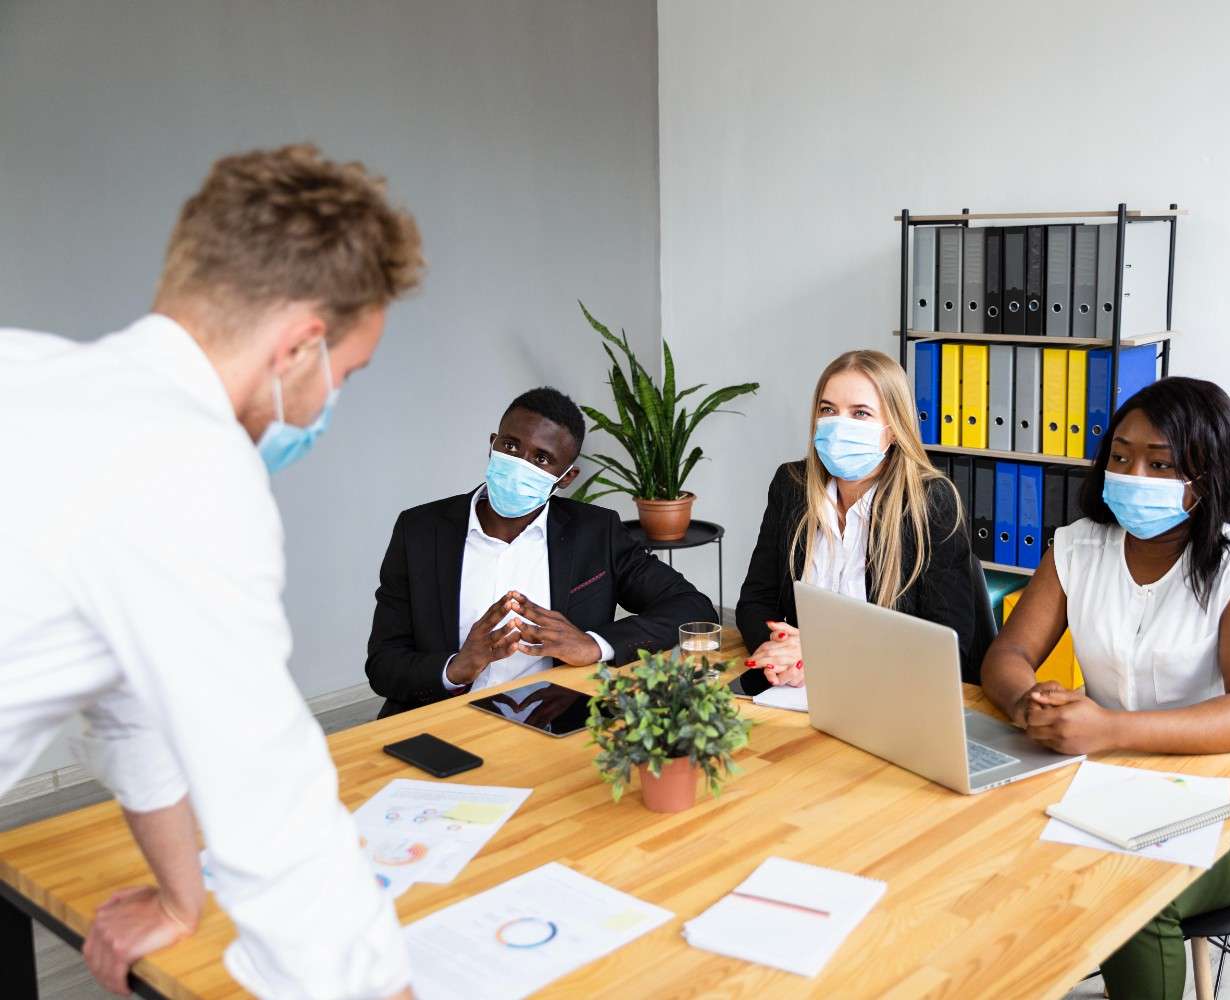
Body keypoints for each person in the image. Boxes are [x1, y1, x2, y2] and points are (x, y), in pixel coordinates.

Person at [0, 144, 424, 998]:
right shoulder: (184, 464)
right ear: (300, 347)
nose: (334, 398)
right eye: (348, 372)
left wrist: (177, 896)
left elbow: (126, 700)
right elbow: (269, 800)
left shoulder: (29, 371)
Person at [978, 376, 1230, 1000]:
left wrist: (1109, 729)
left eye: (1160, 464)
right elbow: (1009, 654)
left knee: (1130, 895)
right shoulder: (1077, 547)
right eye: (1120, 457)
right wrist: (1027, 702)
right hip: (1099, 783)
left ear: (1210, 476)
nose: (1132, 476)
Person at [365, 386, 717, 716]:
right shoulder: (419, 531)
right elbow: (383, 664)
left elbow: (691, 606)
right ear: (492, 444)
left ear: (566, 477)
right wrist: (455, 668)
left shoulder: (597, 532)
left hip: (554, 723)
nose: (520, 463)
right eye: (511, 446)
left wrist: (593, 645)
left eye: (542, 458)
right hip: (441, 722)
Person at [735, 349, 975, 687]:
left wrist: (821, 654)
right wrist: (781, 656)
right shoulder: (791, 486)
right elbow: (755, 602)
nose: (838, 425)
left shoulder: (930, 502)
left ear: (894, 429)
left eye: (860, 413)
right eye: (828, 410)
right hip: (797, 688)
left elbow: (949, 647)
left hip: (887, 690)